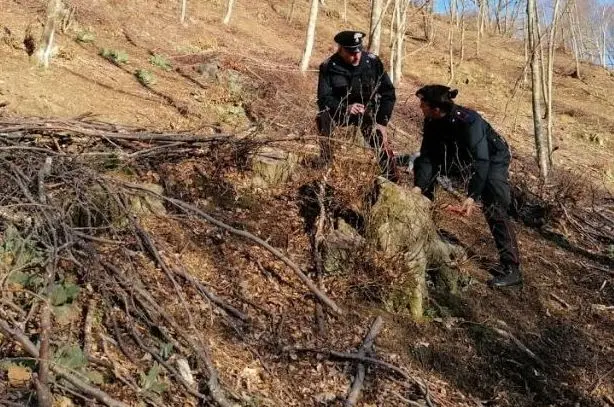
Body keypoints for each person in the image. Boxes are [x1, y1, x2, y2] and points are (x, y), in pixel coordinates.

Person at [412, 84, 522, 288]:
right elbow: (428, 155)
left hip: (492, 156)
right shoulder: (431, 120)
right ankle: (425, 223)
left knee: (494, 201)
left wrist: (472, 196)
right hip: (461, 155)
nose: (420, 107)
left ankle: (511, 268)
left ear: (436, 108)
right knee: (421, 164)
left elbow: (482, 160)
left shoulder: (469, 121)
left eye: (423, 104)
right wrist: (418, 188)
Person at [316, 30, 399, 181]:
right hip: (341, 111)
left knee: (378, 135)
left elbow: (388, 93)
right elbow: (323, 99)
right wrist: (343, 108)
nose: (357, 56)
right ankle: (326, 163)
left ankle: (391, 176)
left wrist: (382, 122)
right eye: (351, 52)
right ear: (341, 49)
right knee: (322, 117)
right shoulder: (329, 66)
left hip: (368, 113)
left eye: (359, 51)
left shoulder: (372, 62)